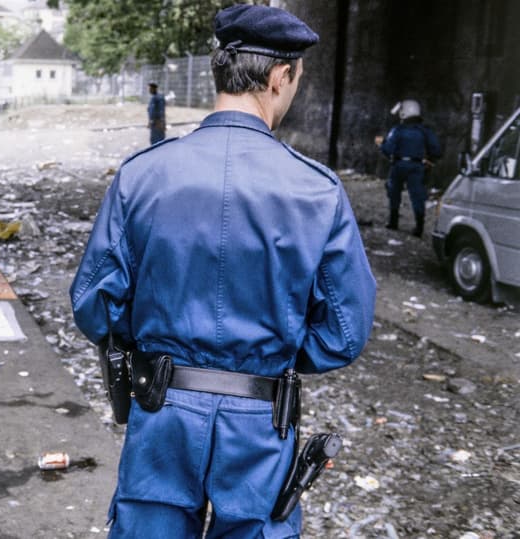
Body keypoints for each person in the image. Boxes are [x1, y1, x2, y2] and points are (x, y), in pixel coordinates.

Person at [69, 5, 376, 537]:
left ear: (219, 70)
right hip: (260, 421)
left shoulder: (143, 175)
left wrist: (151, 346)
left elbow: (94, 303)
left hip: (162, 411)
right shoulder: (317, 190)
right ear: (281, 76)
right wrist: (270, 355)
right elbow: (345, 333)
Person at [377, 99, 442, 237]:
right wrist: (429, 160)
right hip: (417, 166)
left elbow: (388, 149)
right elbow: (436, 149)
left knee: (394, 192)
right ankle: (419, 227)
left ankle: (393, 222)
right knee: (417, 195)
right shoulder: (425, 131)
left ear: (403, 113)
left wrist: (381, 143)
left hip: (399, 165)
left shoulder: (398, 130)